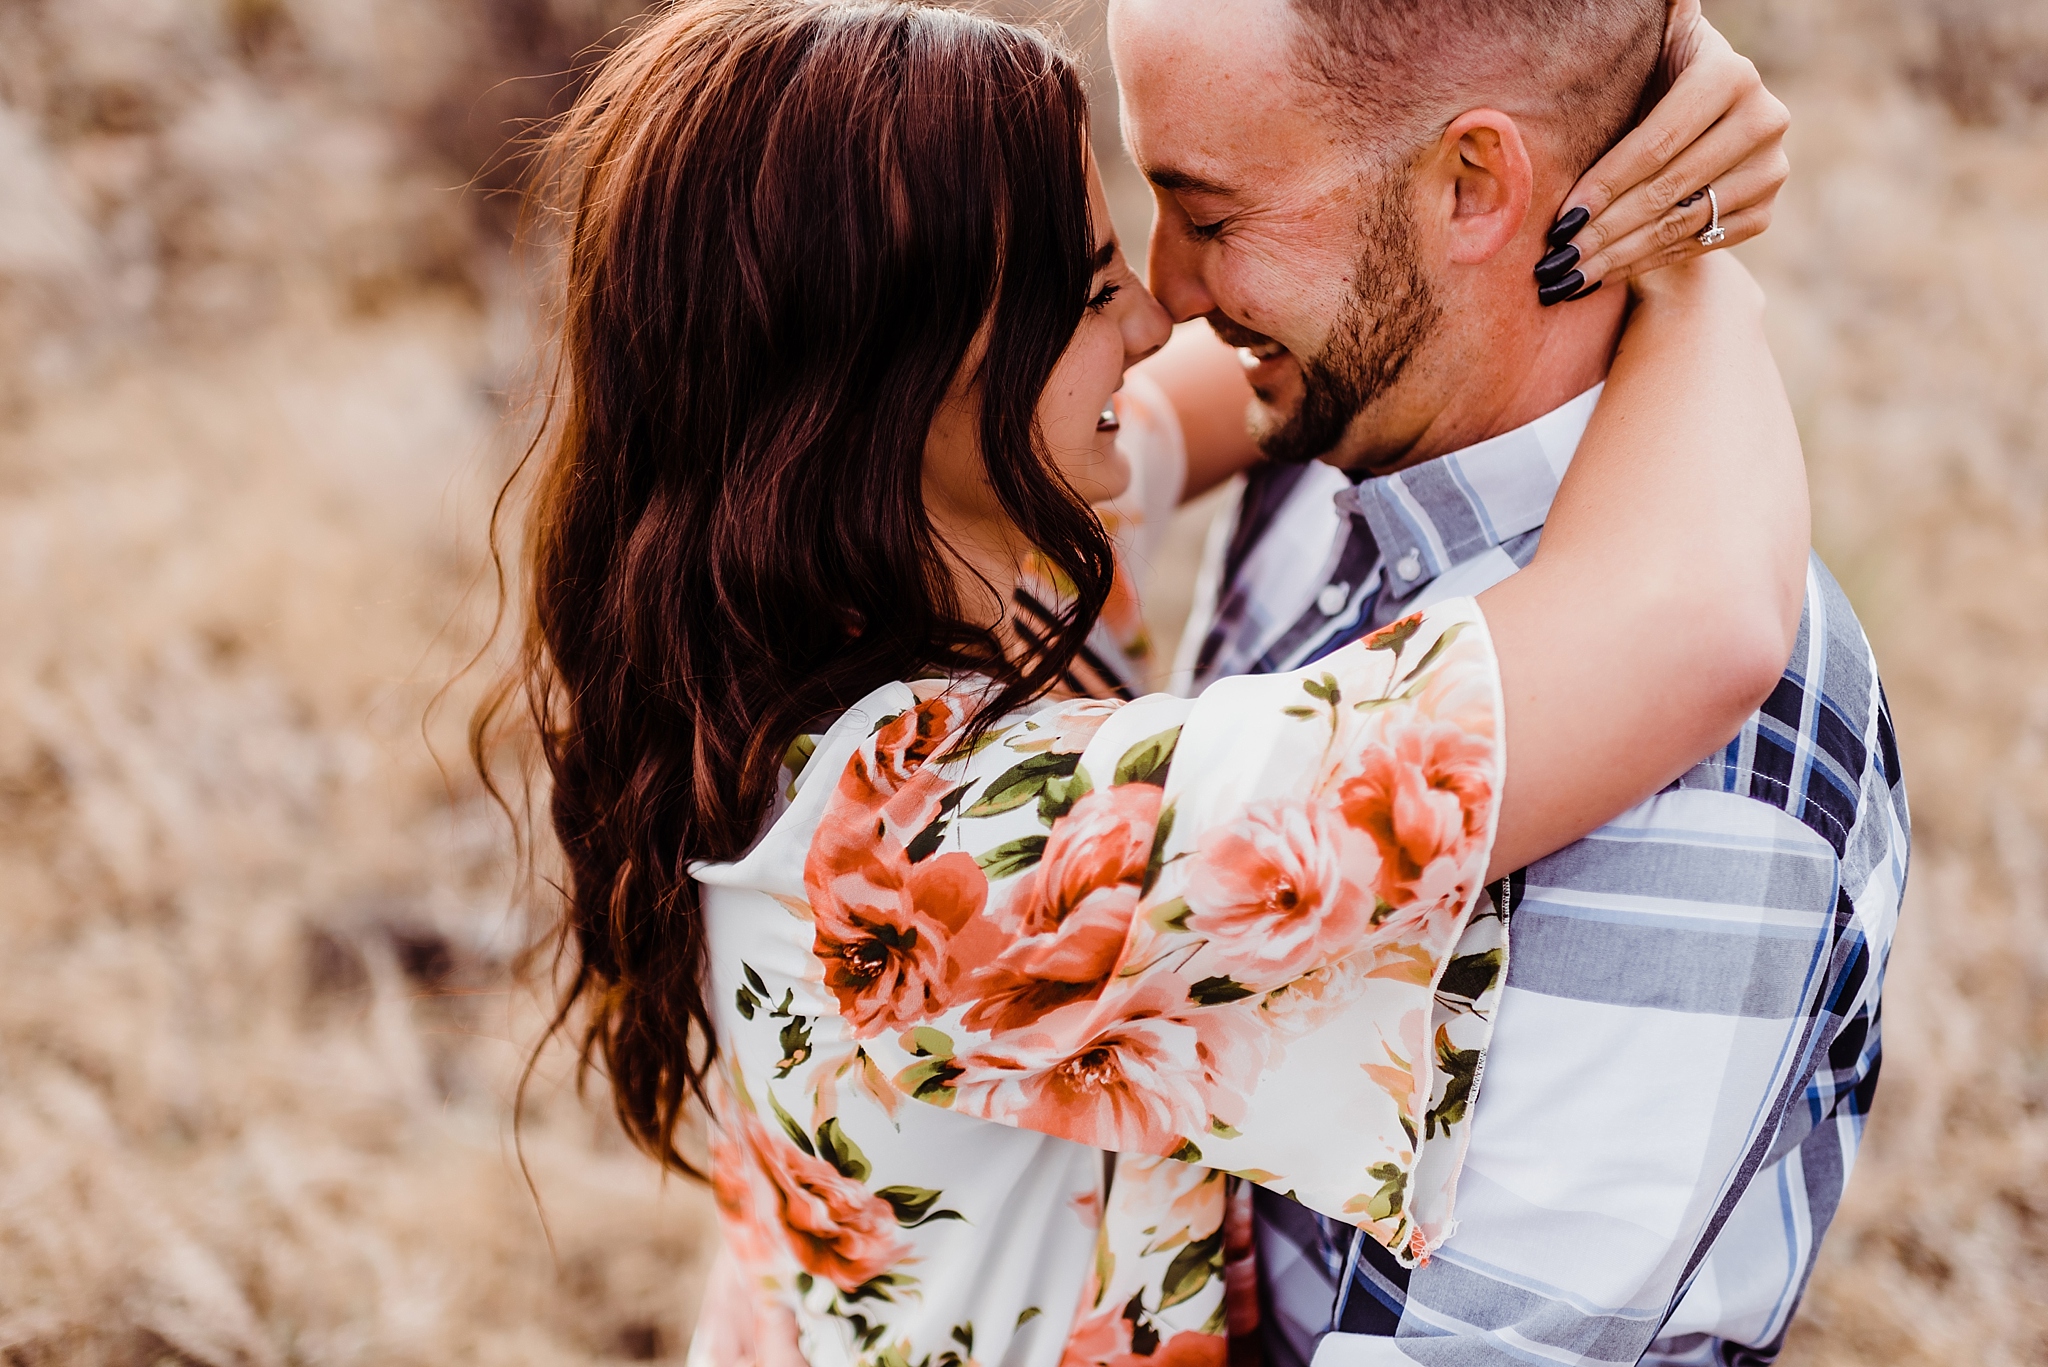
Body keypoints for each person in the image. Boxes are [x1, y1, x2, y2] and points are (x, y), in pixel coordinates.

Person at [482, 3, 1813, 1364]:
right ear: (904, 388)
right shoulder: (957, 856)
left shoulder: (864, 598)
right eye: (1087, 280)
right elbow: (1695, 623)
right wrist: (1685, 248)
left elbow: (1324, 352)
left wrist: (1594, 115)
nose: (1155, 309)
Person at [1105, 0, 1912, 1361]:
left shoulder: (1709, 788)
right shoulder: (1342, 408)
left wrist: (1697, 250)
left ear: (1474, 183)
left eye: (1208, 213)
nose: (1162, 294)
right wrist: (1689, 244)